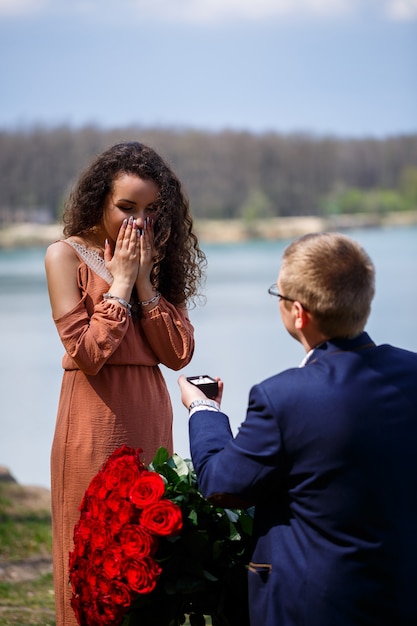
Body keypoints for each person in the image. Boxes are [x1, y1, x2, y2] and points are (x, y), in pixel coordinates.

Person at [178, 232, 417, 626]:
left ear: (298, 313)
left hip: (314, 604)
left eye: (279, 295)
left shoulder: (283, 397)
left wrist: (202, 409)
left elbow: (224, 484)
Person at [45, 141, 206, 626]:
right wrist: (117, 284)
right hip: (94, 416)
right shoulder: (62, 255)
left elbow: (177, 354)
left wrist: (143, 282)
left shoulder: (155, 260)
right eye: (127, 208)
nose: (140, 222)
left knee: (147, 554)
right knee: (92, 555)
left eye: (152, 210)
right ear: (99, 201)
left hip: (149, 413)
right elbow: (88, 353)